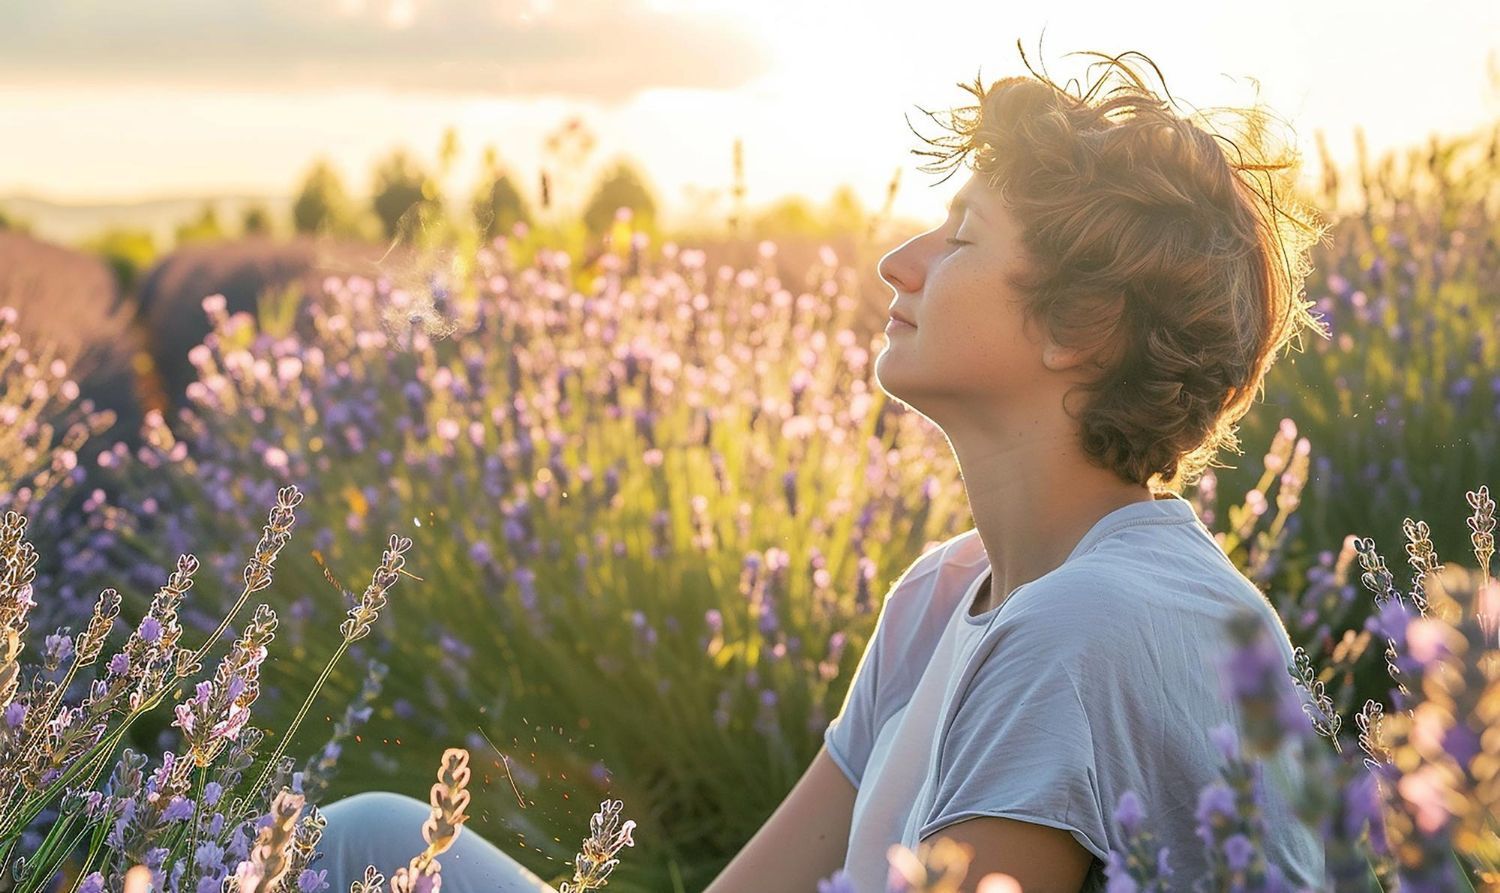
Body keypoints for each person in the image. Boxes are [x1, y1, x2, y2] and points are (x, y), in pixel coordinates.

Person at [319, 45, 1331, 893]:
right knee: (368, 836)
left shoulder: (1086, 626)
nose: (900, 258)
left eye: (963, 235)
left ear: (1083, 324)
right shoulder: (943, 595)